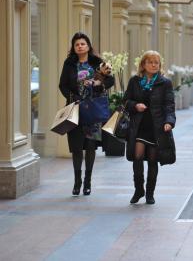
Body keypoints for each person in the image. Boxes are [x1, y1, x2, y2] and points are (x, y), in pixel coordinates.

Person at [59, 32, 114, 196]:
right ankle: (77, 182)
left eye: (82, 44)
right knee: (76, 147)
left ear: (88, 46)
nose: (80, 46)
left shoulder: (98, 63)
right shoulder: (69, 64)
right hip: (75, 110)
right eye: (76, 44)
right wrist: (72, 96)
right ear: (73, 48)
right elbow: (62, 85)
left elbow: (110, 80)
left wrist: (98, 84)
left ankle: (88, 182)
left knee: (90, 146)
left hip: (93, 110)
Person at [124, 50, 176, 204]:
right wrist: (135, 105)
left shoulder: (165, 82)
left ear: (160, 65)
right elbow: (126, 101)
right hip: (139, 126)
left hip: (157, 127)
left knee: (153, 160)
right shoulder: (134, 81)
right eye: (150, 62)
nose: (153, 65)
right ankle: (138, 189)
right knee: (137, 157)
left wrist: (169, 121)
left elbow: (169, 104)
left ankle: (150, 193)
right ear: (143, 64)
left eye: (156, 62)